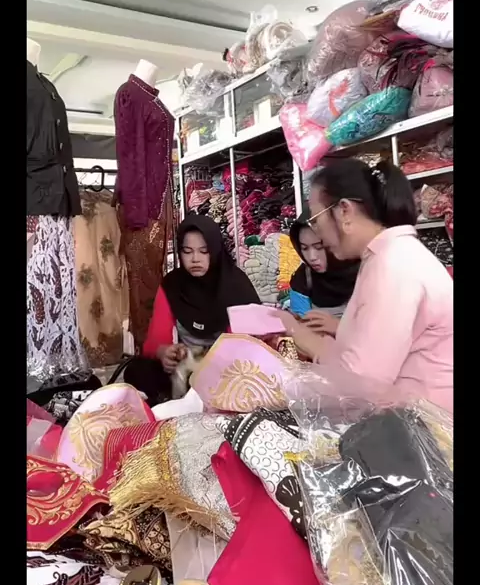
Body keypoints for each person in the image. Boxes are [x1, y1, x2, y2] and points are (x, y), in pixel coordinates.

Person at [275, 159, 453, 412]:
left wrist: (303, 337)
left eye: (316, 220)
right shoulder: (386, 256)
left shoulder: (393, 265)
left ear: (344, 211)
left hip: (426, 426)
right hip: (413, 418)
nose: (318, 233)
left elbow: (363, 386)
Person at [123, 214, 260, 403]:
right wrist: (165, 353)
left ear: (215, 251)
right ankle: (168, 406)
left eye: (204, 251)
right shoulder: (172, 285)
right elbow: (155, 341)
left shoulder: (236, 286)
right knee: (138, 370)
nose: (195, 259)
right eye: (187, 251)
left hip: (228, 367)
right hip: (186, 366)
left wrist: (209, 362)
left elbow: (247, 345)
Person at [289, 213, 359, 335]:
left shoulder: (364, 272)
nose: (312, 257)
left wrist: (339, 328)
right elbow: (301, 329)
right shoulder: (302, 279)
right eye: (304, 248)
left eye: (319, 247)